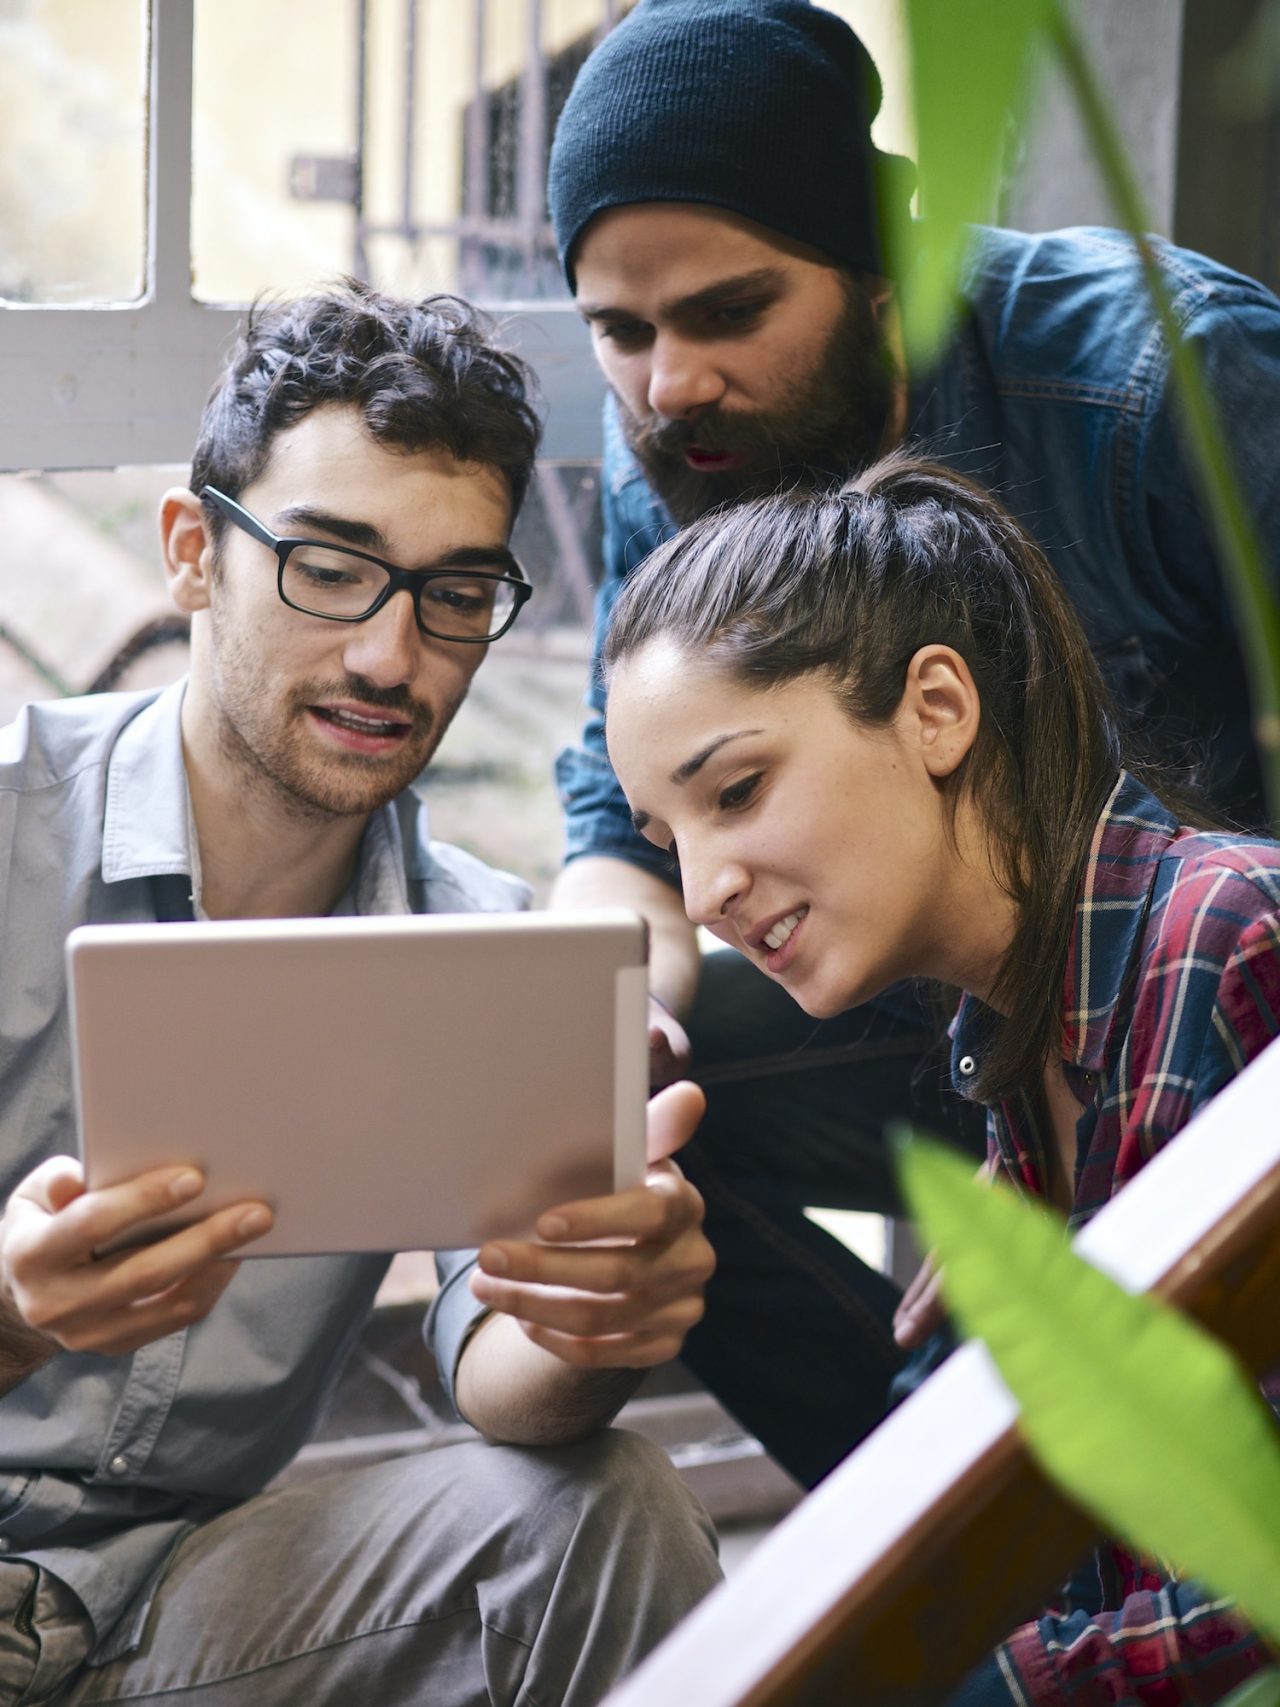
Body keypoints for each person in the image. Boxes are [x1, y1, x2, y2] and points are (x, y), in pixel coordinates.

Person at [544, 0, 1280, 1488]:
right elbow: (620, 829)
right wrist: (605, 1031)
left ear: (887, 274)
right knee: (610, 1120)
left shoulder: (1168, 382)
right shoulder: (694, 460)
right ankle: (944, 1531)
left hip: (1236, 1011)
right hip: (992, 1022)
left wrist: (1108, 1214)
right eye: (621, 332)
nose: (670, 386)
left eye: (730, 311)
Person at [0, 280, 721, 1707]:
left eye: (454, 593)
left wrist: (593, 1318)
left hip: (167, 1618)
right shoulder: (17, 825)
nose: (394, 655)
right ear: (194, 554)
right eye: (330, 566)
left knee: (604, 1507)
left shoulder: (481, 944)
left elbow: (504, 1367)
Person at [601, 452, 1279, 1706]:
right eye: (668, 839)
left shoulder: (1229, 942)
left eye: (736, 791)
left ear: (934, 709)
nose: (703, 892)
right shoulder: (1012, 1043)